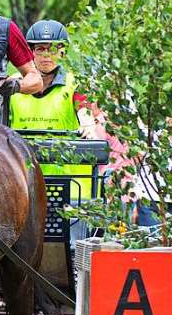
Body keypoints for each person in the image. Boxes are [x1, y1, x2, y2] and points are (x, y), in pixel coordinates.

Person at [9, 19, 104, 197]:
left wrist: (88, 125)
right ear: (30, 52)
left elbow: (83, 109)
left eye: (53, 49)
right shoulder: (14, 85)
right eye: (40, 49)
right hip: (25, 185)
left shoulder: (74, 84)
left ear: (62, 52)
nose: (47, 55)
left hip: (70, 187)